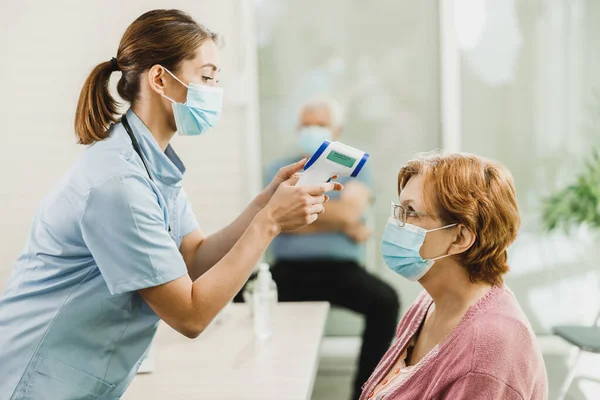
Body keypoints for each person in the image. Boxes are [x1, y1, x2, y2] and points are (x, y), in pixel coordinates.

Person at [0, 10, 341, 399]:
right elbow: (190, 315)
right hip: (32, 381)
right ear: (161, 79)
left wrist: (263, 205)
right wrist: (270, 224)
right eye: (207, 76)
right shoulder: (120, 184)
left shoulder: (149, 162)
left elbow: (193, 258)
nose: (215, 90)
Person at [360, 153, 548, 400]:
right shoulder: (430, 303)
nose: (396, 224)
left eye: (412, 212)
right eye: (399, 209)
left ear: (459, 238)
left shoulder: (485, 352)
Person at [265, 99, 400, 400]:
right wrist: (342, 222)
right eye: (306, 124)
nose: (312, 129)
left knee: (385, 301)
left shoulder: (356, 169)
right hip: (289, 272)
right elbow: (275, 219)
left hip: (340, 272)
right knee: (239, 299)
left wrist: (304, 214)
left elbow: (348, 213)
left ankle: (364, 393)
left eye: (320, 124)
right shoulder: (279, 171)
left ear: (336, 130)